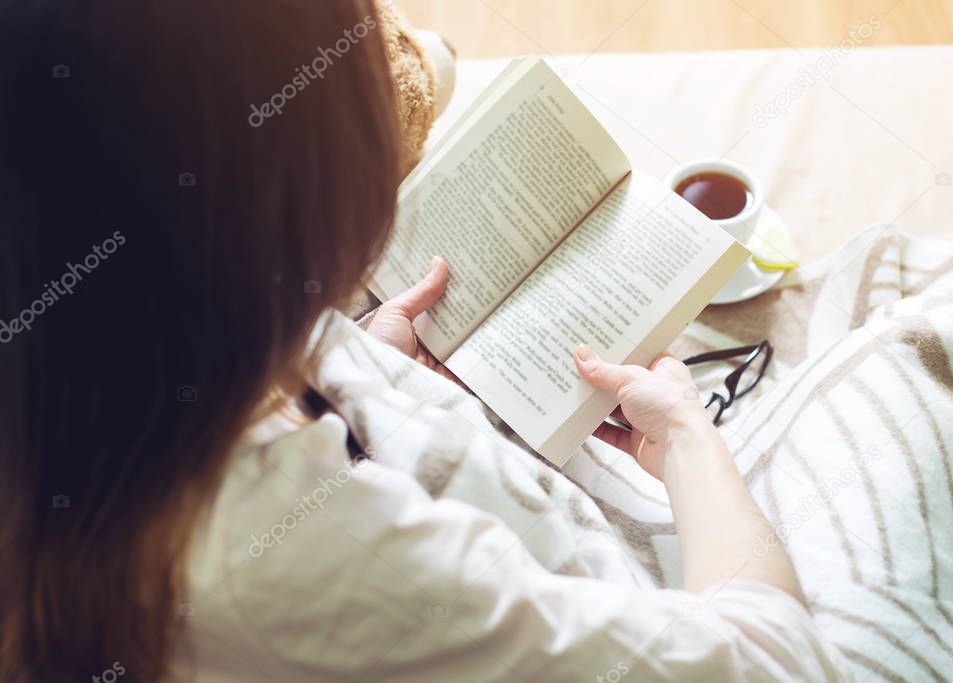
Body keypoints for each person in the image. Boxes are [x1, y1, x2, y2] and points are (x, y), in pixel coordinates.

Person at [0, 1, 848, 681]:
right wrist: (688, 440)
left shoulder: (83, 335)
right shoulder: (302, 555)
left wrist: (355, 363)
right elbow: (778, 661)